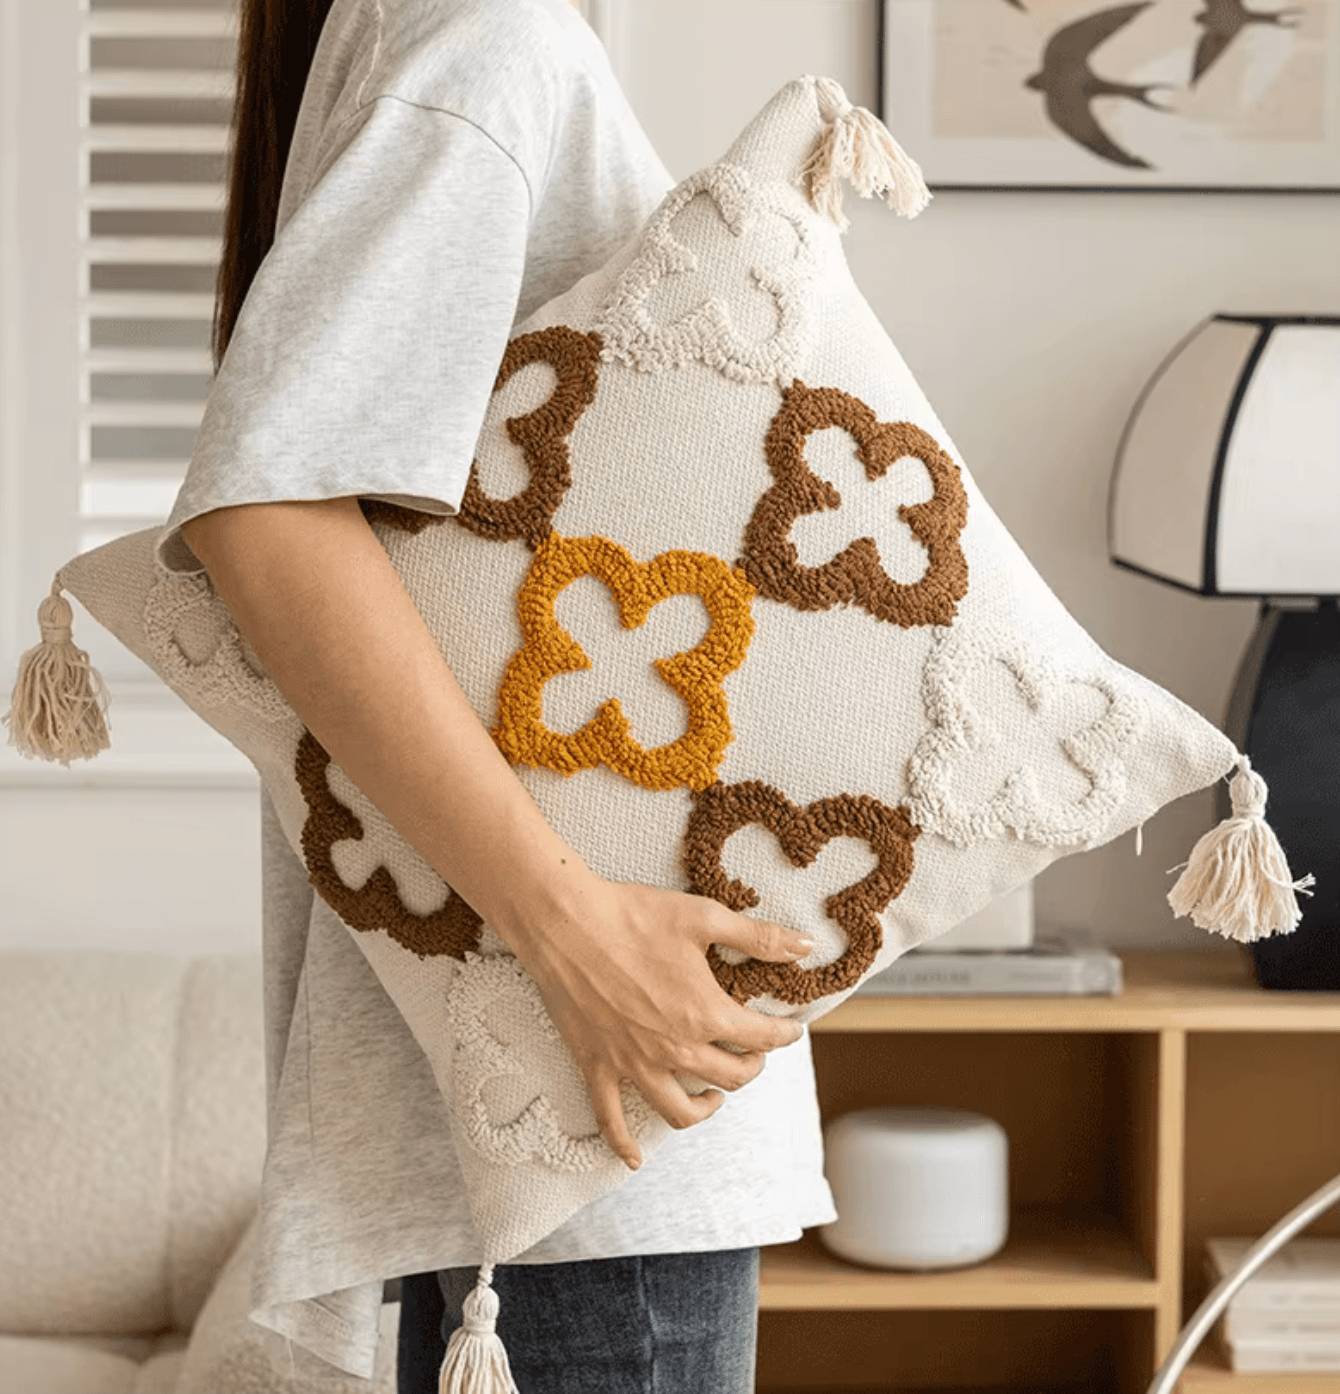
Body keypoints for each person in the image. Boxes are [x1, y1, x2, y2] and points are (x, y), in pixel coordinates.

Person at [157, 1, 838, 1390]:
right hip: (603, 1084)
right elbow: (268, 515)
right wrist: (571, 928)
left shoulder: (426, 36)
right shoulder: (494, 42)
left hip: (560, 1073)